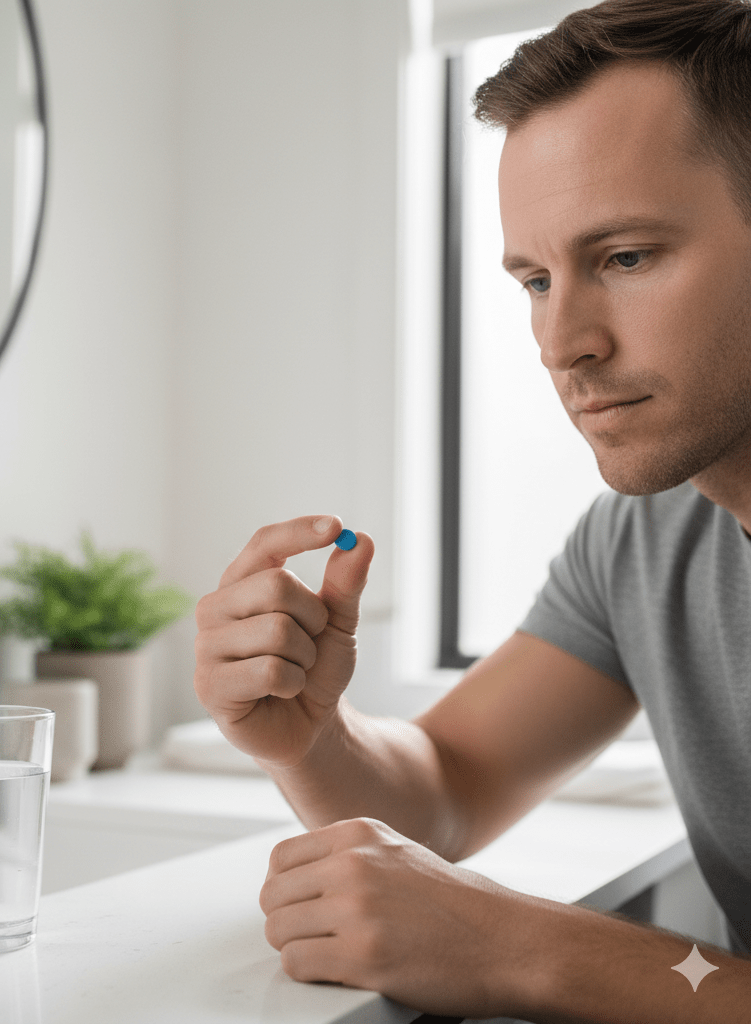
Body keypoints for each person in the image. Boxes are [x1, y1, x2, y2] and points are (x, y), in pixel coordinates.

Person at [192, 1, 751, 1020]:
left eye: (624, 257)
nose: (561, 341)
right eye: (535, 279)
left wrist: (528, 948)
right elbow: (446, 783)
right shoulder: (648, 531)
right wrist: (309, 733)